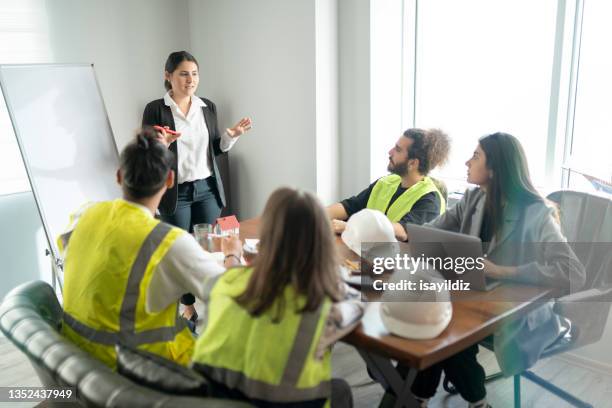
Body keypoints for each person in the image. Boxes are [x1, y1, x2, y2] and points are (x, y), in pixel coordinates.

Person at [383, 132, 586, 408]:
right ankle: (437, 398)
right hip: (473, 302)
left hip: (519, 315)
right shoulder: (473, 199)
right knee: (438, 323)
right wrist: (395, 243)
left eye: (475, 156)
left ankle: (423, 398)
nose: (467, 162)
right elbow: (428, 232)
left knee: (445, 330)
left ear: (495, 168)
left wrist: (503, 271)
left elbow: (573, 271)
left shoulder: (538, 213)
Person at [58, 128, 243, 369]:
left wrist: (157, 150)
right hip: (136, 372)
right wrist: (232, 253)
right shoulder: (167, 241)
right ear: (170, 180)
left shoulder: (84, 214)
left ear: (119, 176)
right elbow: (233, 294)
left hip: (81, 361)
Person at [191, 188, 365, 408]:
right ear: (321, 243)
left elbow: (233, 274)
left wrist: (232, 255)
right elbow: (358, 306)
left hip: (212, 402)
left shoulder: (223, 283)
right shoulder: (325, 304)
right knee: (340, 390)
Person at [142, 50, 252, 323]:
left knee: (210, 250)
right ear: (168, 76)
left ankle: (214, 302)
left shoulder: (207, 107)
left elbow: (216, 149)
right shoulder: (156, 109)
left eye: (194, 74)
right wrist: (162, 145)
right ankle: (187, 305)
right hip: (175, 193)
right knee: (181, 253)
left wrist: (231, 136)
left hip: (207, 189)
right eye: (183, 74)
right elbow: (147, 152)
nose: (190, 79)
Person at [327, 128, 450, 241]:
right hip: (370, 254)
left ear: (412, 163)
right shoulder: (386, 182)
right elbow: (350, 206)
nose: (390, 152)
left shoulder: (430, 200)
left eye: (398, 150)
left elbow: (403, 231)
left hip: (398, 262)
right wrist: (315, 214)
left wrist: (351, 227)